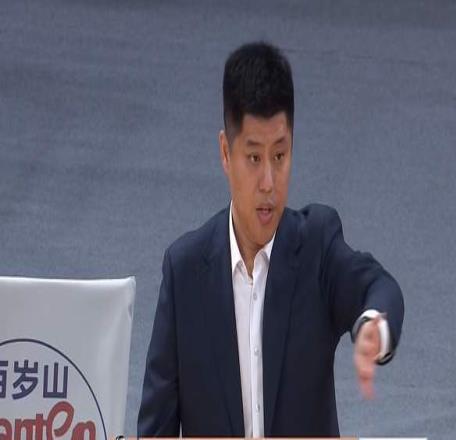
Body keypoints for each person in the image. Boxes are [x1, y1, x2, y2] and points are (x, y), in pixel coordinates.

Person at [137, 41, 404, 438]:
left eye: (280, 157)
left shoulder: (317, 247)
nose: (268, 183)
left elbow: (379, 287)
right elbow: (155, 428)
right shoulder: (184, 272)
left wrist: (373, 326)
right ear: (225, 153)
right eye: (254, 158)